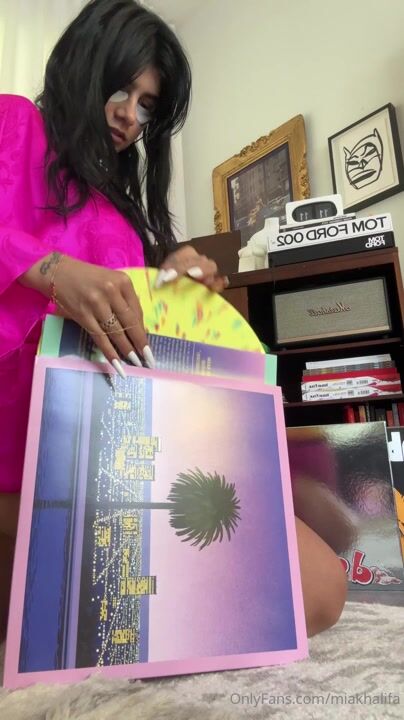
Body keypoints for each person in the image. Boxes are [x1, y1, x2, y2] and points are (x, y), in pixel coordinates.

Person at [0, 0, 346, 642]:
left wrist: (171, 289)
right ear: (81, 64)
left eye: (148, 105)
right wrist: (50, 271)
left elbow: (133, 342)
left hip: (121, 448)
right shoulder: (15, 122)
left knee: (324, 576)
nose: (130, 115)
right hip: (28, 453)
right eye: (121, 89)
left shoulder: (120, 214)